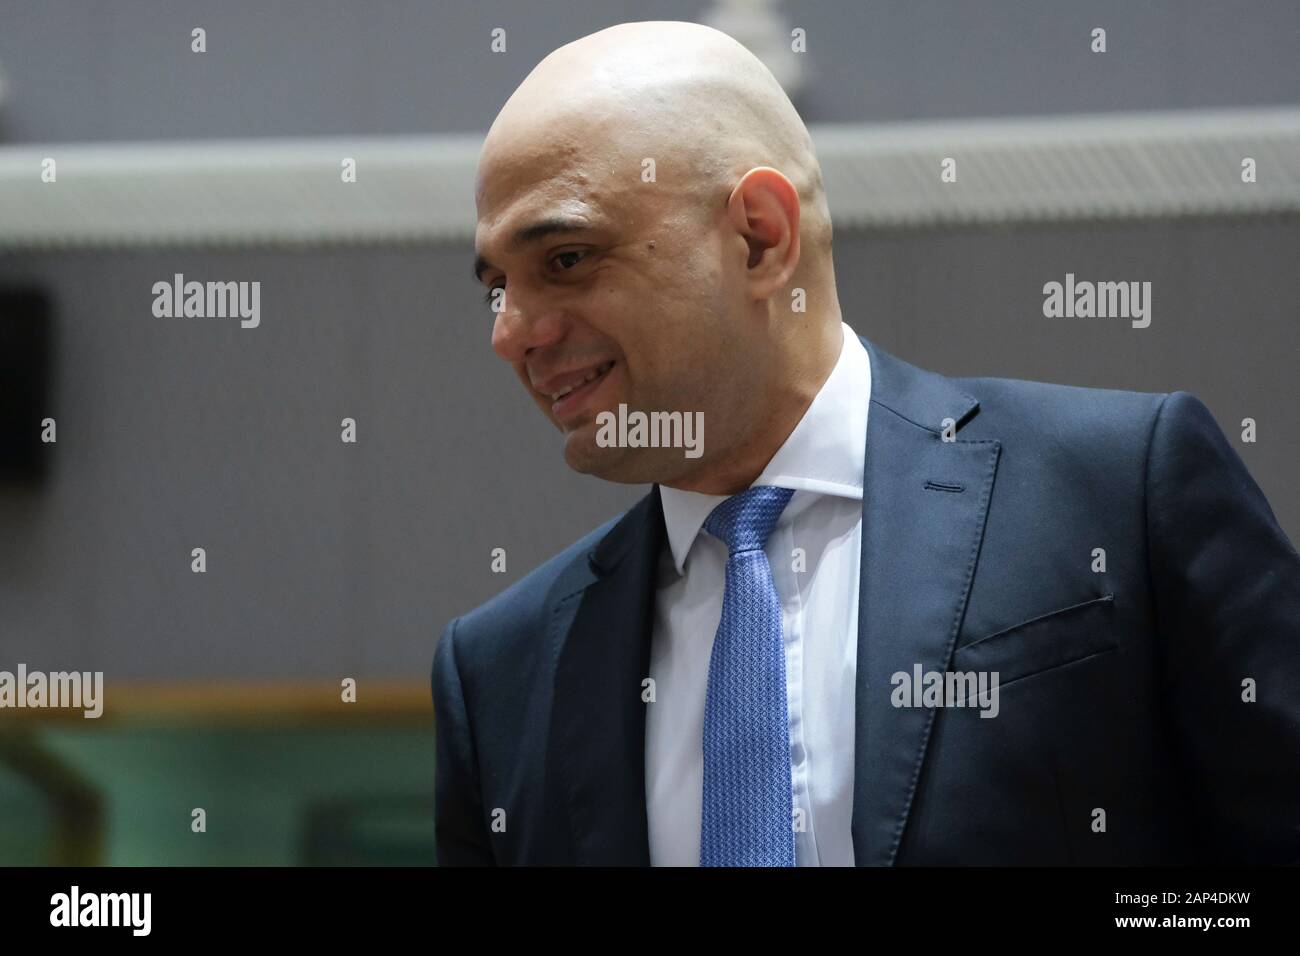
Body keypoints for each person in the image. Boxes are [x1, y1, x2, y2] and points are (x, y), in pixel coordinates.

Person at [433, 20, 1300, 866]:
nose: (512, 334)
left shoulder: (1116, 491)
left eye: (568, 260)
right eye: (495, 288)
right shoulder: (499, 672)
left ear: (759, 238)